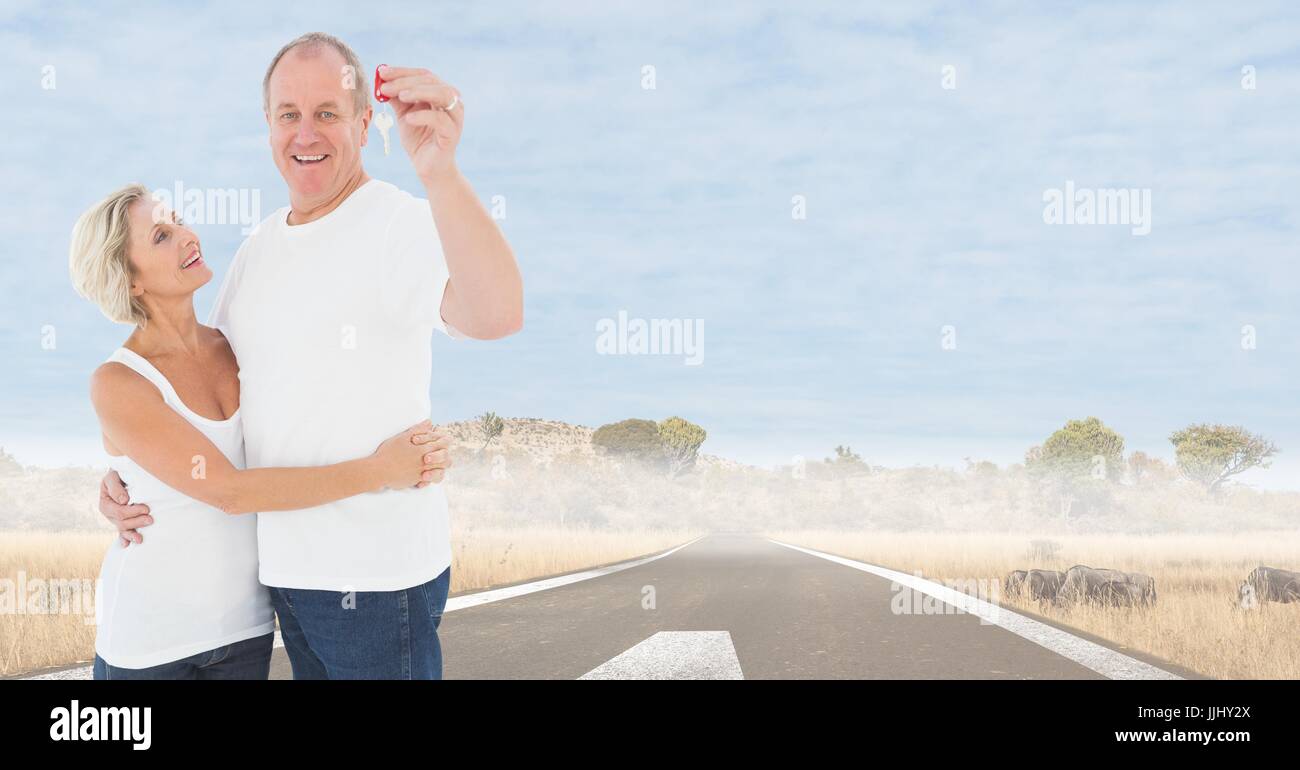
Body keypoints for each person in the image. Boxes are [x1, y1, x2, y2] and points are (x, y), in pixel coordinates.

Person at [96, 32, 523, 679]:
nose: (306, 133)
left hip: (376, 580)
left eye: (327, 112)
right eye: (288, 115)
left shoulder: (396, 223)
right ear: (268, 127)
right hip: (282, 581)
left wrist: (441, 171)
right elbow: (208, 405)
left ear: (364, 122)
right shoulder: (254, 253)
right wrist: (127, 480)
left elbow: (496, 316)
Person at [69, 184, 451, 679]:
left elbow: (310, 410)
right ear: (130, 280)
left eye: (179, 220)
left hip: (245, 634)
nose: (188, 236)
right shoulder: (118, 382)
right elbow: (228, 492)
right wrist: (380, 469)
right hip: (152, 645)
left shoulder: (235, 345)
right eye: (162, 236)